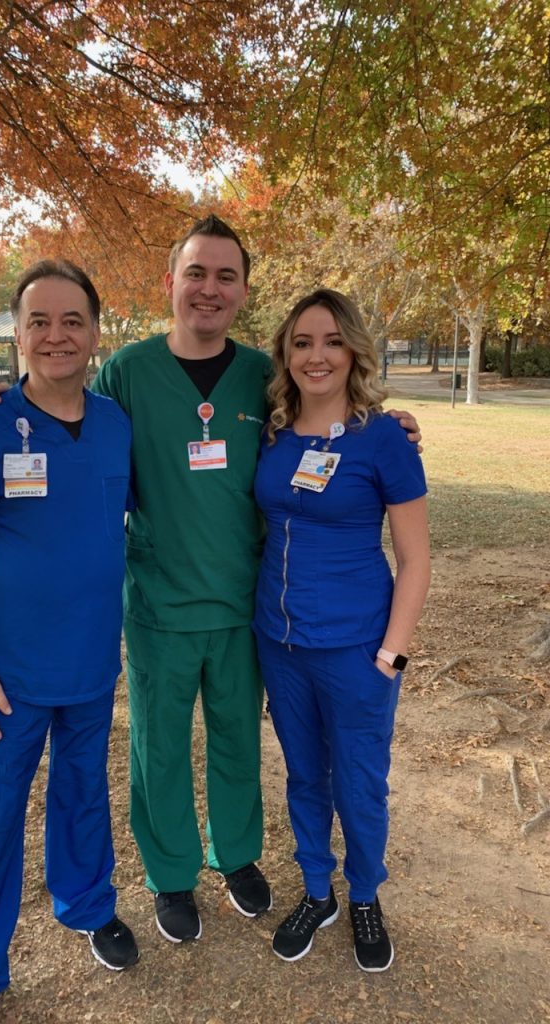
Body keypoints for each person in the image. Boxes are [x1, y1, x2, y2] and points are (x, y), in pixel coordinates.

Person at [0, 216, 423, 947]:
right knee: (160, 747)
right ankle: (172, 871)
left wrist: (388, 417)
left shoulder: (259, 378)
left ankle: (235, 855)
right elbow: (59, 407)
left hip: (247, 608)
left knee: (239, 739)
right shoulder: (126, 374)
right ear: (170, 283)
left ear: (243, 290)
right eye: (196, 273)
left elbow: (324, 412)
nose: (209, 289)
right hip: (157, 605)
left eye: (225, 276)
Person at [0, 260, 138, 1024]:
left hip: (91, 664)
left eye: (72, 321)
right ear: (16, 334)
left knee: (84, 797)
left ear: (95, 330)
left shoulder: (117, 424)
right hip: (7, 678)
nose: (57, 336)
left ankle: (88, 908)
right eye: (40, 322)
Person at [252, 289, 430, 973]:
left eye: (330, 341)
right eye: (301, 342)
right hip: (280, 642)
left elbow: (416, 557)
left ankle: (363, 894)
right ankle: (318, 890)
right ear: (286, 355)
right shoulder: (272, 434)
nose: (316, 355)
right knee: (303, 775)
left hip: (358, 647)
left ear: (352, 349)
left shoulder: (384, 437)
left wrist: (392, 652)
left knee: (358, 780)